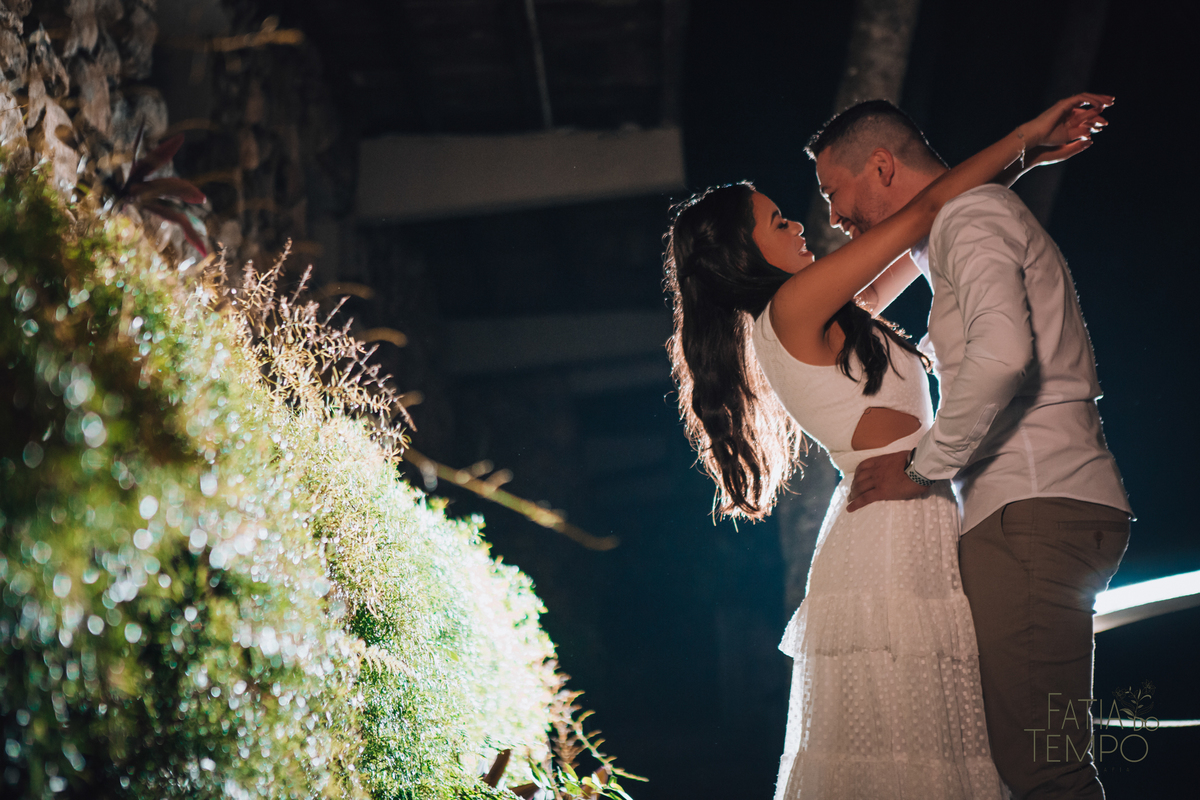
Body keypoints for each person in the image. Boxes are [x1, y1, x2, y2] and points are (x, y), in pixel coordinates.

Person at [662, 93, 1111, 799]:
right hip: (893, 530)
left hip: (916, 513)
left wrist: (1021, 165)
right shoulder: (792, 308)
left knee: (956, 750)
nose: (804, 223)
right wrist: (1025, 135)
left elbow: (926, 219)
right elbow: (923, 211)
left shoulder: (826, 313)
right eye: (778, 221)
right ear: (744, 253)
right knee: (920, 755)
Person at [825, 100, 1131, 799]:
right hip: (1041, 508)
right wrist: (1017, 158)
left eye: (831, 191)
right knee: (1042, 762)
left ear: (881, 166)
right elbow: (874, 282)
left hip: (1031, 510)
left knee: (1044, 769)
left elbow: (1000, 358)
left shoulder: (970, 218)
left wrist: (920, 469)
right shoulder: (959, 222)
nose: (834, 216)